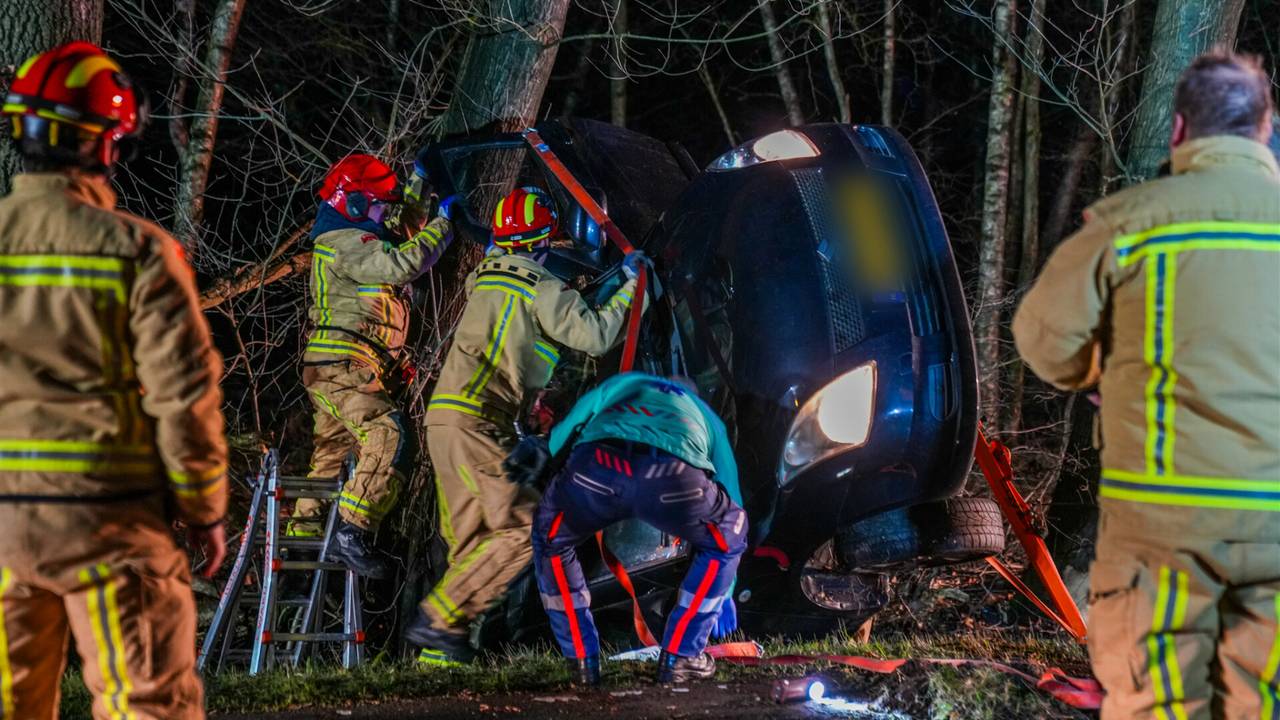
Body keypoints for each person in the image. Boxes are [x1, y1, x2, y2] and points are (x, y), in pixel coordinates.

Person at [1013, 52, 1280, 720]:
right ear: (1264, 129)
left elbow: (1043, 339)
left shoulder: (1132, 223)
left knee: (1156, 700)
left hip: (1164, 513)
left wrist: (1104, 374)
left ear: (1180, 129)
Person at [0, 42, 228, 718]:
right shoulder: (138, 252)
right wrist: (204, 506)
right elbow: (183, 396)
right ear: (108, 144)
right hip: (112, 521)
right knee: (146, 705)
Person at [405, 186, 646, 664]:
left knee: (471, 544)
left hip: (444, 421)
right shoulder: (540, 286)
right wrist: (630, 283)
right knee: (525, 527)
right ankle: (437, 622)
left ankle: (438, 664)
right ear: (542, 242)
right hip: (479, 422)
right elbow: (595, 336)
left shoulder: (485, 280)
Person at [288, 154, 455, 579]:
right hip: (344, 366)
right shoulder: (346, 243)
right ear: (356, 204)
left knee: (330, 457)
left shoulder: (358, 235)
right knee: (388, 434)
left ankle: (301, 547)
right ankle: (352, 531)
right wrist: (446, 224)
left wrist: (419, 181)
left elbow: (403, 227)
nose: (387, 212)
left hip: (340, 365)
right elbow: (403, 263)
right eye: (379, 204)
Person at [528, 372, 746, 685]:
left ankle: (580, 661)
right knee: (727, 536)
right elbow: (732, 496)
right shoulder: (706, 414)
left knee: (552, 540)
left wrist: (548, 460)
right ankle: (683, 656)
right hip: (672, 477)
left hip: (597, 467)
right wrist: (725, 590)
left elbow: (566, 430)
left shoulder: (625, 383)